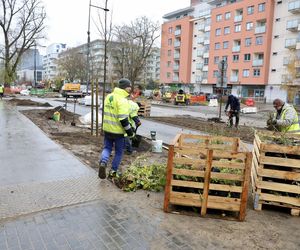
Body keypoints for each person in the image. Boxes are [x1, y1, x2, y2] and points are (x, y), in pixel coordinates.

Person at [98, 78, 135, 179]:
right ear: (125, 87)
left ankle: (103, 162)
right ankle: (113, 171)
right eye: (129, 87)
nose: (130, 88)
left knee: (107, 148)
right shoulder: (122, 100)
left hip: (107, 129)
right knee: (119, 152)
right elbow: (123, 119)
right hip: (118, 132)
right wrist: (130, 132)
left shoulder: (108, 96)